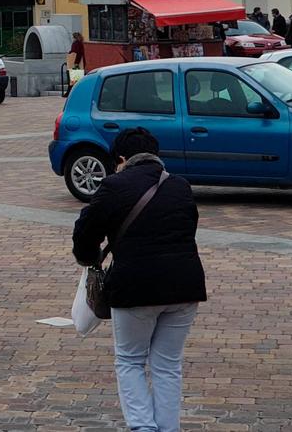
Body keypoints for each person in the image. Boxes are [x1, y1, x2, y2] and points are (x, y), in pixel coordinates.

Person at [73, 128, 206, 432]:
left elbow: (85, 234)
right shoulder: (180, 185)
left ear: (121, 159)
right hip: (185, 287)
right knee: (168, 365)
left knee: (130, 360)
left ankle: (144, 428)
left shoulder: (113, 185)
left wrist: (89, 258)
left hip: (134, 287)